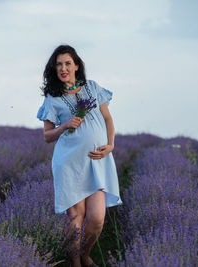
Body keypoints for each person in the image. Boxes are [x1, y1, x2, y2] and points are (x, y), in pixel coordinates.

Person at [37, 44, 123, 267]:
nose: (63, 68)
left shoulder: (92, 88)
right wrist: (65, 124)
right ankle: (75, 262)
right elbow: (47, 136)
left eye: (67, 63)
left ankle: (85, 253)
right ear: (54, 69)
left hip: (97, 161)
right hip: (70, 164)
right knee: (76, 219)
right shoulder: (52, 98)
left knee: (96, 219)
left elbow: (108, 120)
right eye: (58, 64)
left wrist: (111, 144)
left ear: (76, 66)